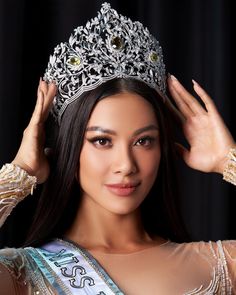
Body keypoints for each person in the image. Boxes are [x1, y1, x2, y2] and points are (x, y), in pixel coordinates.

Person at [0, 2, 235, 294]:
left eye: (143, 141)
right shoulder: (20, 273)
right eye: (102, 141)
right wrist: (19, 174)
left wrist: (228, 161)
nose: (126, 164)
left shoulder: (221, 265)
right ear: (69, 146)